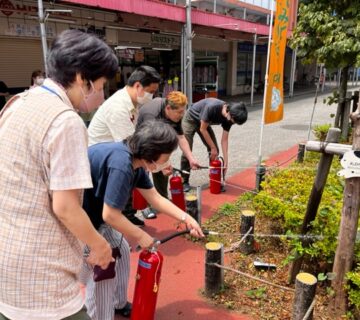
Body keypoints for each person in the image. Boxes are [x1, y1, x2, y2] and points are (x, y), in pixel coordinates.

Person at [0, 29, 118, 320]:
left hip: (7, 259)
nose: (101, 98)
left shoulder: (17, 103)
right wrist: (101, 246)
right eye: (101, 86)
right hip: (42, 274)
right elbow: (65, 207)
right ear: (81, 78)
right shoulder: (66, 121)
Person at [81, 120, 204, 320]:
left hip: (95, 214)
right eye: (166, 155)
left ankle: (118, 303)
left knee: (120, 248)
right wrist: (140, 235)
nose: (167, 160)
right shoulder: (122, 165)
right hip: (81, 221)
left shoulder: (136, 162)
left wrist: (186, 218)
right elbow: (110, 215)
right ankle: (99, 316)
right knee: (104, 269)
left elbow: (155, 198)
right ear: (152, 152)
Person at [87, 65, 161, 226]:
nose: (152, 96)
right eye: (151, 91)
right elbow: (131, 147)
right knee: (131, 171)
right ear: (138, 86)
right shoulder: (118, 107)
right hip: (100, 160)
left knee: (136, 170)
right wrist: (155, 163)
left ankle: (126, 214)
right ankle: (119, 217)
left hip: (113, 151)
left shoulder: (133, 104)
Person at [136, 91, 200, 218]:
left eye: (183, 111)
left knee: (163, 167)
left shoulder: (174, 116)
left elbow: (181, 138)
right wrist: (162, 164)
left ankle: (161, 199)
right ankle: (144, 206)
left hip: (158, 140)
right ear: (168, 108)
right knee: (144, 171)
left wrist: (191, 158)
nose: (182, 115)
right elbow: (151, 145)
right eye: (180, 112)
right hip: (143, 141)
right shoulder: (152, 115)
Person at [180, 98, 248, 191]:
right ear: (230, 113)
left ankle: (214, 179)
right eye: (233, 121)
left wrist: (226, 162)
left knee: (215, 151)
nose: (232, 123)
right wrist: (212, 148)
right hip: (191, 119)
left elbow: (224, 140)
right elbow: (202, 129)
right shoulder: (212, 107)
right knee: (187, 151)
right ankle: (184, 181)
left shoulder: (230, 118)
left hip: (204, 123)